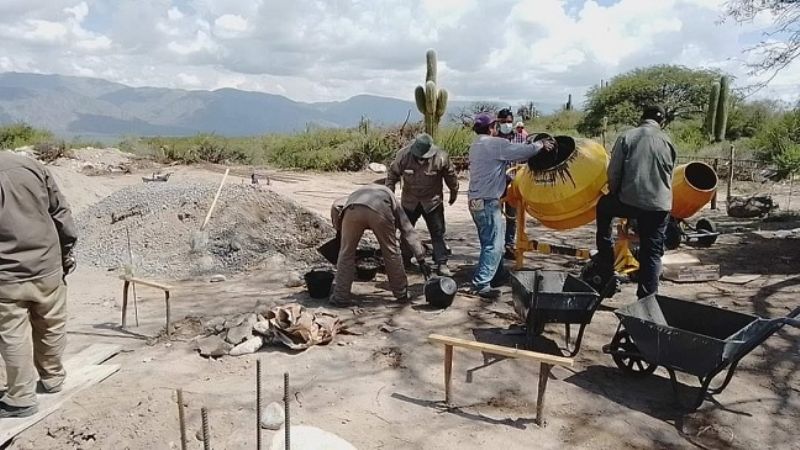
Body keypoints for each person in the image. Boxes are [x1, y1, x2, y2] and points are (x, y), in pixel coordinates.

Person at [0, 151, 78, 418]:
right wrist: (67, 251)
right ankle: (53, 377)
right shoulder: (30, 165)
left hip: (6, 276)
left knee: (13, 335)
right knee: (51, 323)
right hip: (47, 265)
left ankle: (20, 398)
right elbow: (61, 212)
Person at [467, 113, 555, 299]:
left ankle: (497, 275)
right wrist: (540, 145)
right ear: (492, 127)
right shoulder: (494, 143)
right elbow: (520, 152)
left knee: (489, 242)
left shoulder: (476, 145)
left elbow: (491, 167)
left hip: (475, 200)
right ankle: (481, 284)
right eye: (496, 125)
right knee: (494, 245)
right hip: (488, 201)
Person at [593, 104, 676, 299]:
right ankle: (647, 302)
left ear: (641, 118)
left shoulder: (628, 137)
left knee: (604, 207)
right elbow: (670, 173)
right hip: (660, 206)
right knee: (653, 254)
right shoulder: (668, 141)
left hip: (630, 201)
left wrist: (615, 193)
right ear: (661, 122)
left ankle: (606, 262)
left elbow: (613, 172)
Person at [329, 184, 430, 306]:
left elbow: (336, 205)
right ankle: (401, 293)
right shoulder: (390, 197)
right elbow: (407, 229)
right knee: (391, 252)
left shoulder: (356, 194)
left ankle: (340, 297)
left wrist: (339, 229)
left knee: (346, 253)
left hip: (352, 210)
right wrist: (421, 258)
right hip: (379, 210)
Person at [386, 133, 459, 277]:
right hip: (409, 201)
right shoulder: (403, 155)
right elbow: (392, 175)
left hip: (432, 201)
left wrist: (453, 192)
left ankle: (441, 263)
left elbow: (451, 176)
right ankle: (405, 260)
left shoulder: (441, 157)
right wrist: (389, 194)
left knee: (437, 233)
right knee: (406, 232)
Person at [495, 108, 522, 260]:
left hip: (514, 184)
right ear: (498, 122)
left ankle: (509, 246)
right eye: (503, 122)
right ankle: (496, 247)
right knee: (496, 217)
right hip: (497, 185)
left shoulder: (519, 139)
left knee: (512, 217)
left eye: (509, 122)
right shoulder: (493, 141)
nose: (506, 124)